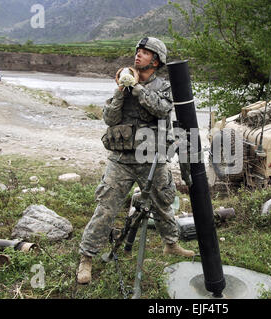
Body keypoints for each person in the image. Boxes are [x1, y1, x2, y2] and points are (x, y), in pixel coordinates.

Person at [77, 37, 195, 285]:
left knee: (164, 201)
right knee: (106, 207)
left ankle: (170, 244)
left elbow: (163, 110)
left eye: (144, 52)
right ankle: (86, 257)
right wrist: (121, 91)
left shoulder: (162, 86)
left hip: (152, 158)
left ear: (156, 60)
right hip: (122, 159)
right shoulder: (123, 84)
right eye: (137, 51)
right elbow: (109, 118)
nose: (137, 55)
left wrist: (139, 90)